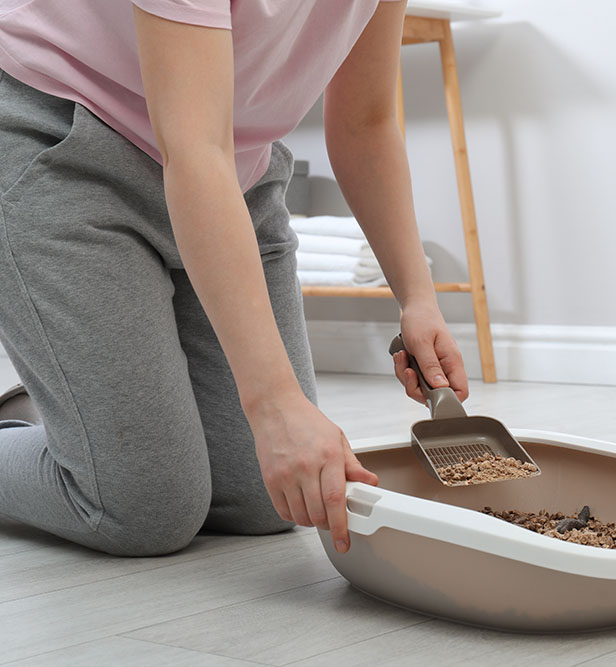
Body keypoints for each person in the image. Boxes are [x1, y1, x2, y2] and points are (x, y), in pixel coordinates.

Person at [0, 0, 468, 557]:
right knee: (144, 509)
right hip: (62, 144)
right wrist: (275, 404)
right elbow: (193, 149)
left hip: (234, 179)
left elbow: (365, 121)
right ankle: (87, 422)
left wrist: (418, 299)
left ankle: (81, 412)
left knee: (266, 501)